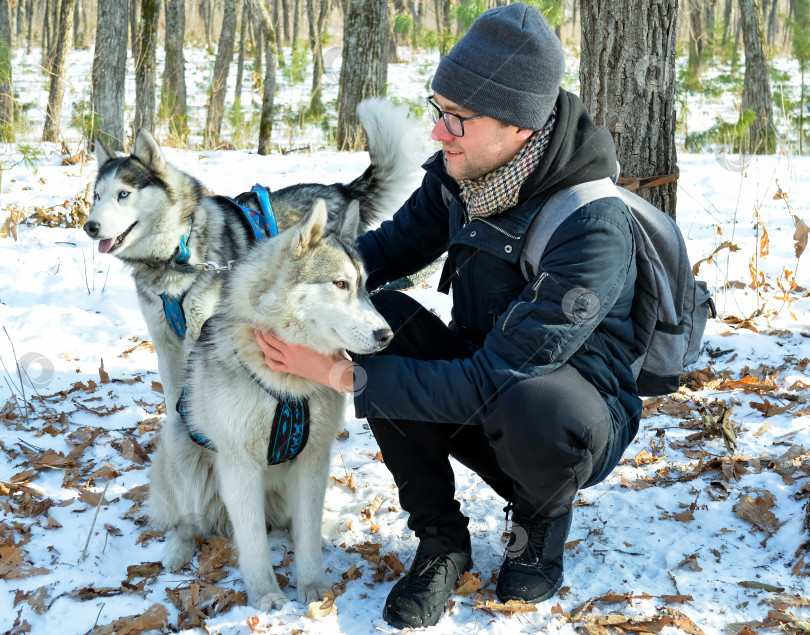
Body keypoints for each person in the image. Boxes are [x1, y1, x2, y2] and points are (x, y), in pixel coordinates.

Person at [255, 3, 641, 629]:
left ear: (521, 126)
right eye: (438, 111)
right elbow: (383, 253)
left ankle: (538, 521)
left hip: (566, 420)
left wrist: (338, 376)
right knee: (375, 319)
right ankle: (441, 541)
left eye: (457, 120)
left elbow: (498, 379)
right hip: (483, 382)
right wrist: (285, 291)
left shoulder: (590, 226)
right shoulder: (463, 172)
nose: (438, 134)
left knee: (537, 406)